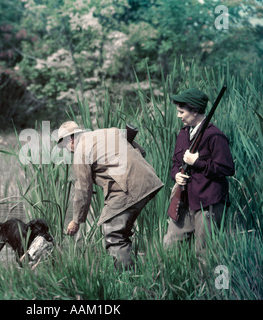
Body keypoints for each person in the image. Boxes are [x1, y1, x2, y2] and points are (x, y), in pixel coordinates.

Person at [57, 121, 164, 270]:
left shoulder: (81, 151)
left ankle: (126, 279)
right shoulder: (111, 131)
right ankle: (137, 271)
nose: (68, 151)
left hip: (128, 187)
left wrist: (76, 221)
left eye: (65, 146)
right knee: (121, 230)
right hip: (150, 180)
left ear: (71, 139)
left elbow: (83, 189)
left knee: (112, 232)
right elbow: (141, 152)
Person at [163, 88, 235, 251]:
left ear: (194, 111)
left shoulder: (215, 136)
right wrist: (176, 175)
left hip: (208, 203)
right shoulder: (182, 134)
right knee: (169, 246)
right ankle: (168, 276)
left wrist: (198, 162)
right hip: (184, 201)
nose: (178, 116)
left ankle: (207, 278)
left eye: (181, 112)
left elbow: (227, 169)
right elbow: (176, 162)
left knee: (204, 252)